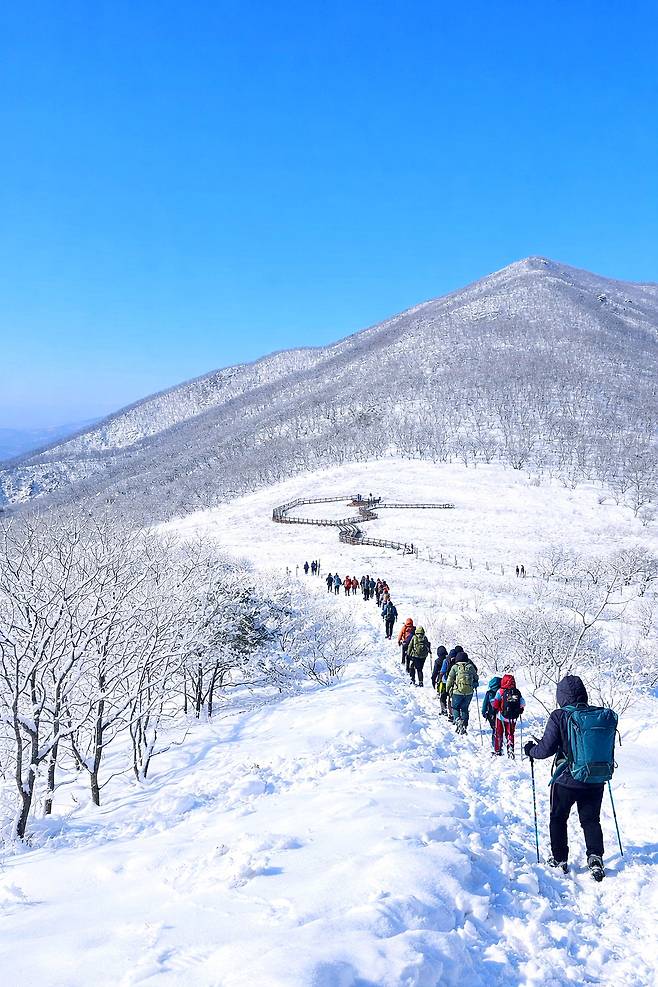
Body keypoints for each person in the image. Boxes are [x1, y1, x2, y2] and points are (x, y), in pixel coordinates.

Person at [524, 675, 608, 880]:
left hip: (567, 780)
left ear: (561, 695)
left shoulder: (560, 715)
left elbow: (545, 749)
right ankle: (595, 857)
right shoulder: (598, 715)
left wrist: (530, 750)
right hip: (595, 778)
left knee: (558, 818)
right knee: (591, 820)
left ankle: (560, 859)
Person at [491, 673, 525, 757]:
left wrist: (495, 708)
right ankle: (510, 748)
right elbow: (523, 703)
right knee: (510, 733)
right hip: (513, 717)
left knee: (498, 733)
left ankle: (497, 750)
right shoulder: (517, 692)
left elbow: (495, 704)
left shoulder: (500, 691)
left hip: (501, 717)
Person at [446, 652, 478, 734]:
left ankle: (458, 721)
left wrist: (448, 689)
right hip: (469, 692)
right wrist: (474, 684)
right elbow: (476, 678)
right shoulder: (470, 667)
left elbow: (449, 679)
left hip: (457, 692)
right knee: (465, 708)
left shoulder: (455, 667)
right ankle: (465, 725)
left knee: (455, 707)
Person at [444, 645, 465, 722]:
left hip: (454, 685)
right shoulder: (467, 661)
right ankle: (463, 719)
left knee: (452, 701)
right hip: (465, 686)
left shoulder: (451, 660)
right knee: (463, 704)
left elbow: (448, 675)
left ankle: (452, 716)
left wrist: (447, 688)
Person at [481, 675, 502, 747]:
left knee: (495, 730)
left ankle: (496, 746)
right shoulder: (503, 692)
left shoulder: (489, 693)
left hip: (491, 715)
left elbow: (485, 704)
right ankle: (501, 744)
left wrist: (483, 712)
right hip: (502, 714)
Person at [431, 645, 449, 714]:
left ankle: (444, 710)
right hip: (451, 679)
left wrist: (433, 681)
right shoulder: (449, 659)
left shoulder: (437, 661)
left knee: (443, 696)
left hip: (442, 680)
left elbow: (435, 673)